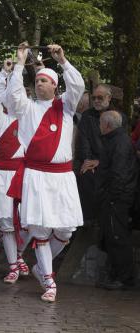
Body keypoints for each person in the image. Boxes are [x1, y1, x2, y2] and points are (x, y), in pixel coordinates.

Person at [5, 42, 85, 302]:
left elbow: (78, 87)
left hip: (62, 177)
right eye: (37, 80)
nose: (39, 84)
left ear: (54, 86)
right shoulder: (26, 108)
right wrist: (19, 64)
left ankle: (41, 266)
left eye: (44, 81)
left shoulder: (66, 106)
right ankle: (49, 279)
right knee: (40, 229)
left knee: (65, 230)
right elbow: (13, 95)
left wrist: (62, 61)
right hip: (37, 175)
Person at [0, 60, 31, 283]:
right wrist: (5, 72)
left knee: (28, 221)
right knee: (6, 223)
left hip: (24, 175)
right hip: (2, 176)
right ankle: (13, 264)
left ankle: (20, 255)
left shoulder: (30, 116)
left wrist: (21, 71)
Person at [96, 111, 137, 289]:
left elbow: (119, 173)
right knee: (113, 236)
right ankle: (116, 275)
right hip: (115, 196)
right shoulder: (118, 140)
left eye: (100, 124)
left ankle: (124, 278)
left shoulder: (119, 142)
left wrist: (112, 196)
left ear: (107, 125)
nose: (99, 127)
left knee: (117, 237)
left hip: (117, 198)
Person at [75, 84, 128, 224]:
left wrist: (100, 162)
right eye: (94, 98)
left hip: (111, 163)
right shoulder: (87, 116)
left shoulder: (119, 117)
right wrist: (87, 160)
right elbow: (84, 140)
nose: (97, 101)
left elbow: (118, 147)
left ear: (109, 98)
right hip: (90, 160)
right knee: (85, 175)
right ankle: (88, 220)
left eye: (100, 97)